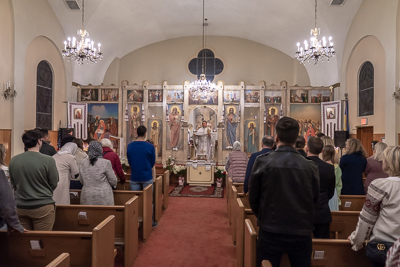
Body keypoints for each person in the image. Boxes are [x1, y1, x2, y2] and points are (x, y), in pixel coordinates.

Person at [249, 116, 319, 267]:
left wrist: (264, 217)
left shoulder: (263, 161)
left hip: (270, 230)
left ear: (276, 137)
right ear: (297, 138)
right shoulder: (310, 166)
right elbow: (315, 199)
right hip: (301, 232)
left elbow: (253, 199)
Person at [349, 146, 400, 267]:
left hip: (383, 244)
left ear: (388, 163)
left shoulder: (379, 186)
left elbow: (367, 219)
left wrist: (356, 240)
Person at [9, 130, 59, 231]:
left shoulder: (14, 160)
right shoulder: (48, 160)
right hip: (42, 206)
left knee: (25, 241)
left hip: (21, 206)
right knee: (41, 242)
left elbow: (13, 183)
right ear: (39, 141)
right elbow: (54, 182)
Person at [127, 126, 157, 228]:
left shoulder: (130, 146)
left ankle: (133, 223)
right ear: (145, 134)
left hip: (134, 176)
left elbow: (129, 161)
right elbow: (153, 162)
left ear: (136, 133)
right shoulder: (150, 146)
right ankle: (150, 222)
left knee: (133, 201)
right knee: (149, 200)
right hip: (147, 176)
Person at [306, 137, 335, 238]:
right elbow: (331, 191)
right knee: (323, 247)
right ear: (322, 150)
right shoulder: (329, 168)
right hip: (322, 211)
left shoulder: (300, 165)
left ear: (307, 148)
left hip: (303, 212)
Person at [79, 141, 117, 205]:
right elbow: (113, 181)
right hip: (103, 195)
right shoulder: (105, 163)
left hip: (87, 195)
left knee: (89, 214)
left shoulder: (83, 163)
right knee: (105, 214)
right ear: (100, 150)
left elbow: (81, 180)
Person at [322, 145, 343, 212]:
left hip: (322, 193)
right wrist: (338, 198)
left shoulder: (320, 166)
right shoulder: (336, 167)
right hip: (333, 194)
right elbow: (339, 185)